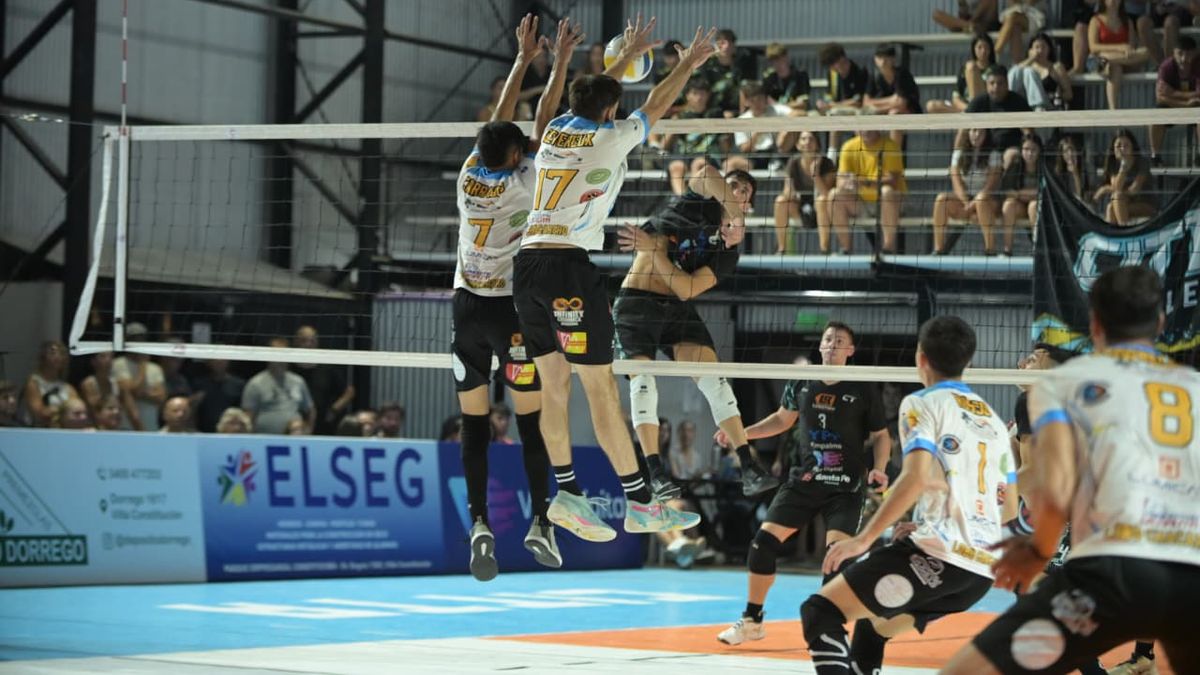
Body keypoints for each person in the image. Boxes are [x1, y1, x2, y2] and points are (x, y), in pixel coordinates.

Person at [512, 15, 713, 542]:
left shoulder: (556, 130)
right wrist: (688, 64)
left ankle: (567, 495)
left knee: (554, 386)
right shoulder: (611, 136)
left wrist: (605, 62)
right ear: (609, 111)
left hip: (526, 265)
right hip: (567, 270)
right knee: (600, 388)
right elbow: (656, 106)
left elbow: (563, 104)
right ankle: (641, 504)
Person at [941, 266, 1196, 675]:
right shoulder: (1193, 386)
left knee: (965, 670)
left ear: (1095, 324)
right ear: (1161, 322)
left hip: (1115, 573)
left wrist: (1036, 552)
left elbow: (1053, 484)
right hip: (1190, 575)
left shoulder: (1062, 383)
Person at [797, 316, 1015, 674]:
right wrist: (927, 525)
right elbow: (1008, 509)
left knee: (819, 611)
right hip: (979, 573)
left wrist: (862, 540)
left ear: (920, 357)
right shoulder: (994, 421)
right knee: (872, 627)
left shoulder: (922, 402)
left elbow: (914, 477)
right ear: (969, 361)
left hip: (939, 556)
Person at [450, 17, 578, 583]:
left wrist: (522, 60)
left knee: (473, 426)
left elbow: (498, 125)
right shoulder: (524, 181)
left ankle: (479, 523)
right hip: (510, 315)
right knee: (531, 422)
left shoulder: (468, 173)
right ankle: (541, 522)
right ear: (513, 156)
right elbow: (542, 122)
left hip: (465, 310)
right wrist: (559, 62)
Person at [716, 322, 892, 646]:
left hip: (845, 486)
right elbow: (781, 420)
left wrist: (879, 468)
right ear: (821, 346)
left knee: (836, 558)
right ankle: (752, 621)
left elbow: (881, 436)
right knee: (762, 544)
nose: (833, 344)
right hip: (806, 480)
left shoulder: (863, 385)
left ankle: (827, 629)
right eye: (828, 339)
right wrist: (741, 434)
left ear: (850, 350)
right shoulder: (802, 379)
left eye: (840, 341)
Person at [614, 163, 778, 501]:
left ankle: (748, 467)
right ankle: (655, 473)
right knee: (643, 383)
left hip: (677, 307)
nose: (735, 191)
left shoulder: (727, 253)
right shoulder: (695, 201)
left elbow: (687, 289)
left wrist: (654, 251)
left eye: (744, 192)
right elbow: (706, 172)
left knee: (715, 381)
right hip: (636, 304)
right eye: (732, 185)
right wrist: (737, 218)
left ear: (749, 204)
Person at [829, 129, 907, 254]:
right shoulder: (848, 146)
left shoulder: (890, 146)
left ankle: (888, 248)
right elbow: (840, 180)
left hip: (890, 203)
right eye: (861, 127)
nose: (865, 130)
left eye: (869, 127)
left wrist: (865, 182)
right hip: (862, 203)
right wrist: (847, 184)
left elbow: (893, 182)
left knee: (886, 191)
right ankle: (846, 249)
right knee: (834, 195)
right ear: (855, 130)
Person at [932, 127, 1002, 255]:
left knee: (981, 200)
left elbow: (990, 186)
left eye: (981, 132)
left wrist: (972, 205)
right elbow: (956, 184)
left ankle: (990, 250)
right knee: (941, 199)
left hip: (987, 201)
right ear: (968, 132)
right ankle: (939, 249)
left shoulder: (994, 155)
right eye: (974, 131)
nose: (977, 135)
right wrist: (966, 204)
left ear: (986, 135)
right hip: (965, 200)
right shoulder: (958, 154)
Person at [651, 78, 725, 197]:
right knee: (676, 167)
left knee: (699, 164)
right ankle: (682, 199)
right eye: (695, 93)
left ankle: (694, 198)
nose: (699, 97)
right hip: (684, 155)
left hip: (708, 155)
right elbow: (664, 146)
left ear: (708, 95)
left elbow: (724, 143)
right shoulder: (680, 116)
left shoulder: (716, 114)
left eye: (702, 93)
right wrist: (673, 127)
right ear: (687, 96)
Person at [774, 131, 836, 254]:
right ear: (798, 145)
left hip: (824, 211)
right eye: (803, 139)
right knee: (780, 201)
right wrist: (790, 193)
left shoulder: (826, 163)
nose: (807, 142)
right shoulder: (793, 162)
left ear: (817, 144)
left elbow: (827, 195)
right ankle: (781, 249)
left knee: (821, 200)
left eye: (811, 139)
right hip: (801, 207)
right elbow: (786, 191)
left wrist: (815, 175)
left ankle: (824, 249)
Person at [241, 337, 315, 434]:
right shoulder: (255, 383)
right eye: (277, 354)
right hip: (264, 438)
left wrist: (308, 431)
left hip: (294, 437)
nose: (280, 359)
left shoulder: (298, 381)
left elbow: (310, 410)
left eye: (284, 354)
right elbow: (248, 416)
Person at [1088, 0, 1151, 110]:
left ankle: (1108, 60)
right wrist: (1119, 47)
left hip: (1121, 59)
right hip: (1099, 58)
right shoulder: (1095, 20)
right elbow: (1093, 47)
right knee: (1115, 67)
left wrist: (1123, 52)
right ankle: (1113, 109)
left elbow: (1131, 48)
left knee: (1145, 52)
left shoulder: (1127, 21)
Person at [292, 326, 355, 435]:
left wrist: (334, 410)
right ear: (296, 342)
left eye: (312, 341)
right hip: (295, 424)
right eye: (304, 340)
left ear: (317, 343)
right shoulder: (288, 368)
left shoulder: (327, 368)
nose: (308, 344)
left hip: (323, 424)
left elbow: (349, 392)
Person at [1149, 35, 1200, 165]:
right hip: (1176, 105)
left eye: (1188, 54)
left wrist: (1172, 93)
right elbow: (1160, 97)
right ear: (1174, 53)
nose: (1183, 59)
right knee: (1156, 115)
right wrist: (1186, 103)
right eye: (1180, 54)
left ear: (1195, 53)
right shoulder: (1166, 67)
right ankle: (1155, 156)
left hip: (1195, 106)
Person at [816, 42, 869, 160]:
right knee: (818, 116)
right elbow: (829, 95)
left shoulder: (860, 72)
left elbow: (858, 102)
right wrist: (823, 104)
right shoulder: (832, 74)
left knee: (837, 115)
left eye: (833, 65)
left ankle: (835, 156)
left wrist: (832, 105)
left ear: (841, 60)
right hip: (835, 111)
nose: (832, 69)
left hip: (855, 111)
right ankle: (827, 157)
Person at [863, 43, 922, 146]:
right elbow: (866, 102)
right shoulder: (874, 76)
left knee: (894, 114)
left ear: (893, 59)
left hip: (911, 113)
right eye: (879, 57)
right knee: (862, 116)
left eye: (886, 58)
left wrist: (877, 107)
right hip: (886, 112)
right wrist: (891, 100)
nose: (883, 61)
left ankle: (894, 152)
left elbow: (902, 104)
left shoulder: (902, 75)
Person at [1095, 128, 1156, 226]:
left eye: (1126, 145)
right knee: (1111, 207)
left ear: (1132, 147)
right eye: (1119, 146)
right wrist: (1123, 166)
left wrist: (1105, 189)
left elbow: (1134, 190)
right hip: (1123, 203)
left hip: (1145, 203)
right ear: (1113, 149)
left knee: (1117, 198)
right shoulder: (1113, 164)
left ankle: (1124, 230)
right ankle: (1118, 232)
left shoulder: (1142, 162)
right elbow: (1116, 187)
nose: (1122, 149)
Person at [112, 323, 165, 431]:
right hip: (127, 429)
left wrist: (141, 394)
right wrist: (142, 367)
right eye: (134, 338)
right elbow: (133, 391)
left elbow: (161, 398)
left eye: (141, 338)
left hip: (152, 428)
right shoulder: (118, 364)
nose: (138, 341)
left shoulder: (155, 368)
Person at [927, 32, 996, 114]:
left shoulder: (995, 70)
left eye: (986, 47)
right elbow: (956, 97)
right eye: (979, 47)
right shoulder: (964, 69)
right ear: (974, 49)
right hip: (966, 107)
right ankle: (969, 113)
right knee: (931, 106)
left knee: (971, 66)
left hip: (984, 106)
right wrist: (968, 108)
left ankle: (973, 111)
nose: (983, 51)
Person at [999, 133, 1043, 255]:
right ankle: (1007, 250)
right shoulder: (1016, 165)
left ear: (1039, 151)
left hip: (1039, 207)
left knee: (1033, 206)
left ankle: (1037, 250)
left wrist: (1018, 193)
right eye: (1026, 149)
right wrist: (1027, 194)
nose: (1029, 153)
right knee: (1008, 205)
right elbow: (1008, 192)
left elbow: (1043, 192)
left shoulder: (1044, 167)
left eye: (1033, 149)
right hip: (1020, 206)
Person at [1008, 32, 1073, 111]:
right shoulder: (1026, 68)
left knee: (1028, 71)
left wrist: (1056, 96)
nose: (1040, 50)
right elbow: (1015, 73)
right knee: (1020, 71)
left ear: (1049, 49)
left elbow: (1069, 94)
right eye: (1037, 47)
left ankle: (1039, 106)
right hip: (1026, 106)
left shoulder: (1056, 67)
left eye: (1043, 47)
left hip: (1048, 106)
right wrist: (1031, 59)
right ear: (1030, 50)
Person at [23, 340, 80, 428]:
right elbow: (39, 413)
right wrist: (63, 410)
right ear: (43, 357)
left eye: (61, 353)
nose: (58, 356)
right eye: (53, 353)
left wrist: (56, 411)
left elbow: (76, 410)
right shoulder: (33, 383)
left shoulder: (68, 388)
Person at [79, 350, 136, 429]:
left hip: (115, 428)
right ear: (93, 361)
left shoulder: (119, 385)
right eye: (103, 356)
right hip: (96, 429)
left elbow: (133, 413)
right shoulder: (88, 384)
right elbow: (94, 412)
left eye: (111, 356)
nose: (108, 359)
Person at [192, 359, 245, 433]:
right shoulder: (200, 385)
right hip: (204, 432)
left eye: (222, 360)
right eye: (215, 360)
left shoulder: (238, 385)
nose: (219, 362)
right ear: (208, 362)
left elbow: (242, 412)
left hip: (230, 432)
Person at [761, 42, 811, 112]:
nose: (777, 64)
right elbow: (764, 102)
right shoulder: (768, 78)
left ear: (786, 57)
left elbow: (802, 104)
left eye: (779, 59)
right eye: (773, 61)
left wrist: (779, 106)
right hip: (775, 114)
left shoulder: (800, 75)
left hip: (796, 112)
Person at [932, 0, 1000, 34]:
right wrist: (962, 6)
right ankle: (971, 27)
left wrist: (972, 21)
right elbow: (963, 17)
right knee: (936, 14)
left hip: (986, 24)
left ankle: (971, 27)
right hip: (969, 25)